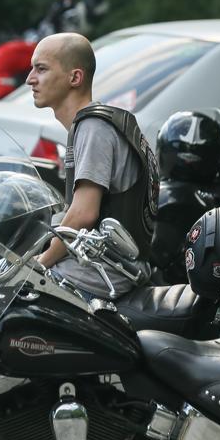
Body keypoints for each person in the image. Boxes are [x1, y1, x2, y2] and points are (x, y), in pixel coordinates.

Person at [26, 32, 159, 300]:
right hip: (104, 265)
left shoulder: (93, 128)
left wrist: (41, 263)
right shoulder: (97, 124)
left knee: (18, 297)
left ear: (75, 78)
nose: (30, 79)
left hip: (104, 273)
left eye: (41, 69)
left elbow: (84, 214)